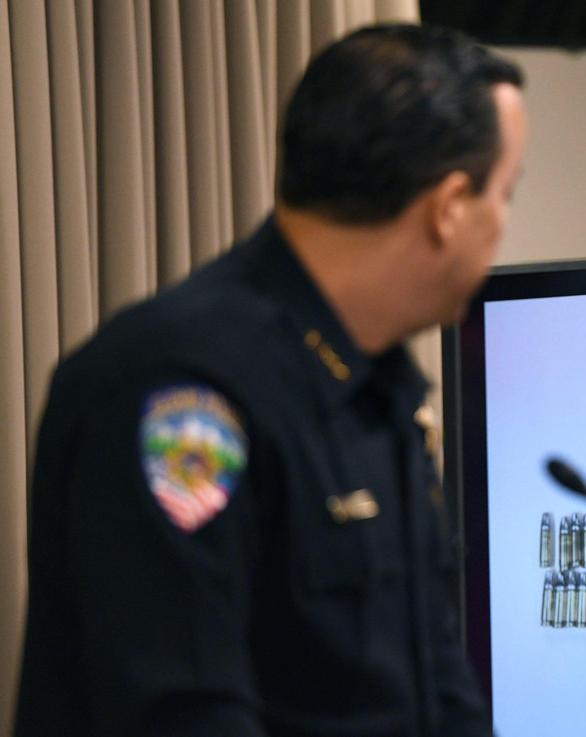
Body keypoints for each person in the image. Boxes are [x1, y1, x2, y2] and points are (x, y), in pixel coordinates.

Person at [15, 23, 526, 737]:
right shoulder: (174, 392)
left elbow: (436, 687)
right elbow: (184, 713)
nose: (505, 224)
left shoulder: (378, 387)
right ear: (447, 209)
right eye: (506, 195)